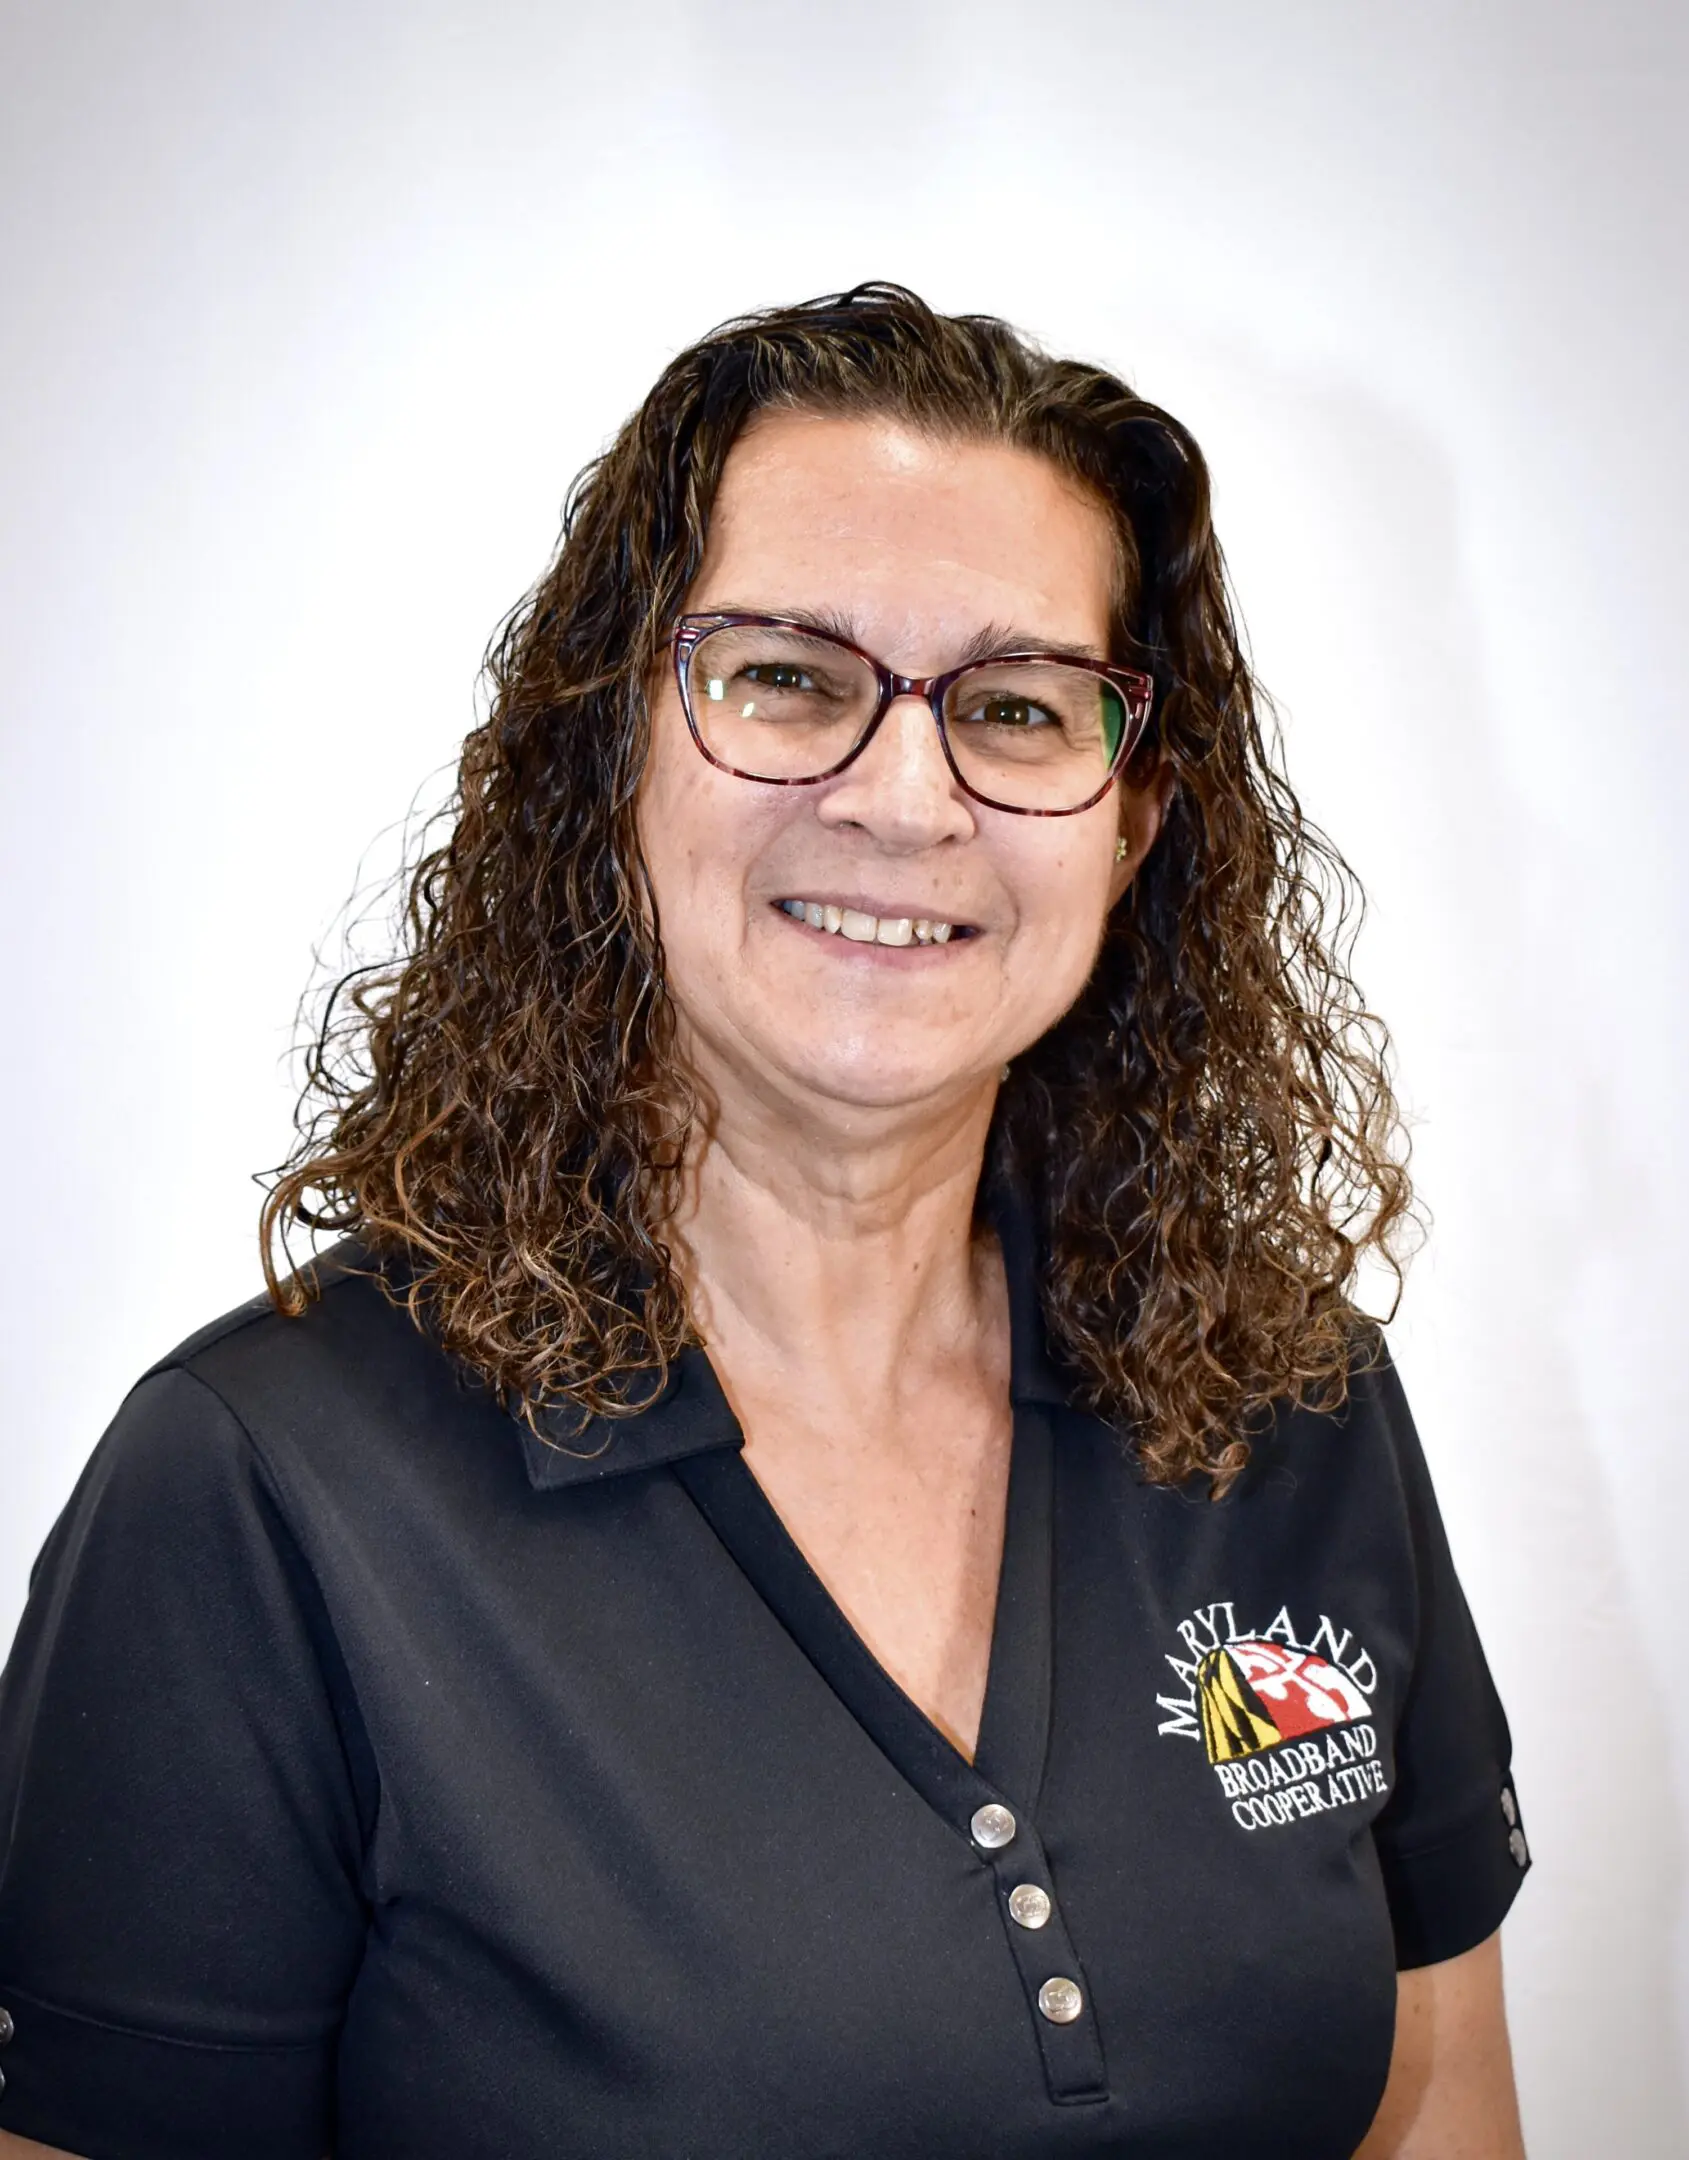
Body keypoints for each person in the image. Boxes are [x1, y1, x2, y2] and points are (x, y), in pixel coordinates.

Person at [0, 284, 1530, 2159]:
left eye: (1019, 705)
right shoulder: (261, 1492)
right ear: (609, 755)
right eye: (789, 677)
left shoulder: (1289, 1399)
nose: (905, 798)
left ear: (1129, 829)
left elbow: (1437, 2101)